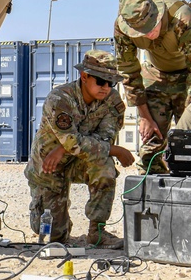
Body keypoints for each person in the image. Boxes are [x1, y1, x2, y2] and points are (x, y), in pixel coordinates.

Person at [24, 49, 135, 249]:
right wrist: (115, 150)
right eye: (101, 81)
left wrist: (65, 148)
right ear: (84, 77)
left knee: (104, 164)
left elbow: (103, 140)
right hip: (49, 167)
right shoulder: (60, 99)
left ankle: (97, 232)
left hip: (77, 161)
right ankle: (55, 217)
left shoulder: (113, 102)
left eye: (111, 83)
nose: (106, 88)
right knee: (54, 237)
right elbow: (84, 142)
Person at [114, 0, 191, 174]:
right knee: (152, 144)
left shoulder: (183, 18)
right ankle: (151, 191)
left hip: (188, 78)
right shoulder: (122, 27)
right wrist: (145, 116)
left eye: (150, 27)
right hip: (156, 76)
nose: (147, 34)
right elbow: (128, 71)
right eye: (139, 31)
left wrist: (189, 116)